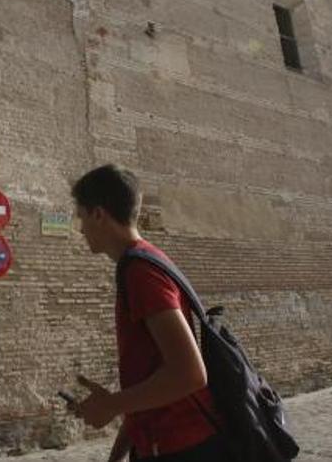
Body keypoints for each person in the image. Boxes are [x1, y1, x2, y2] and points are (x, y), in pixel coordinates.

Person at [69, 164, 228, 462]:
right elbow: (152, 379)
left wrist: (110, 405)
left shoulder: (141, 272)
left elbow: (189, 374)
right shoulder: (143, 263)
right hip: (160, 445)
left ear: (98, 215)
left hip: (183, 447)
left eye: (81, 216)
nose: (80, 229)